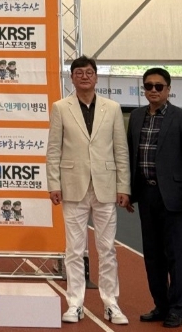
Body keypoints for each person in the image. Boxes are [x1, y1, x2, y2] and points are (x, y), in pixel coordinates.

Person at [46, 55, 130, 325]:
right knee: (74, 249)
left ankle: (111, 303)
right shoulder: (61, 108)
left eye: (89, 72)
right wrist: (54, 183)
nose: (84, 76)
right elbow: (53, 149)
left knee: (107, 249)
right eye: (79, 72)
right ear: (72, 78)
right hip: (73, 186)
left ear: (96, 77)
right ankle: (75, 304)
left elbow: (120, 150)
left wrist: (123, 186)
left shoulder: (112, 108)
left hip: (105, 185)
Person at [127, 68, 182, 328]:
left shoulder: (179, 117)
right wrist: (129, 191)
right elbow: (130, 155)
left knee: (176, 255)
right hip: (146, 194)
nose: (153, 90)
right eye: (148, 86)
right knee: (152, 255)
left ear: (168, 89)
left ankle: (178, 308)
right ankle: (161, 305)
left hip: (174, 196)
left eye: (159, 86)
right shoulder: (136, 117)